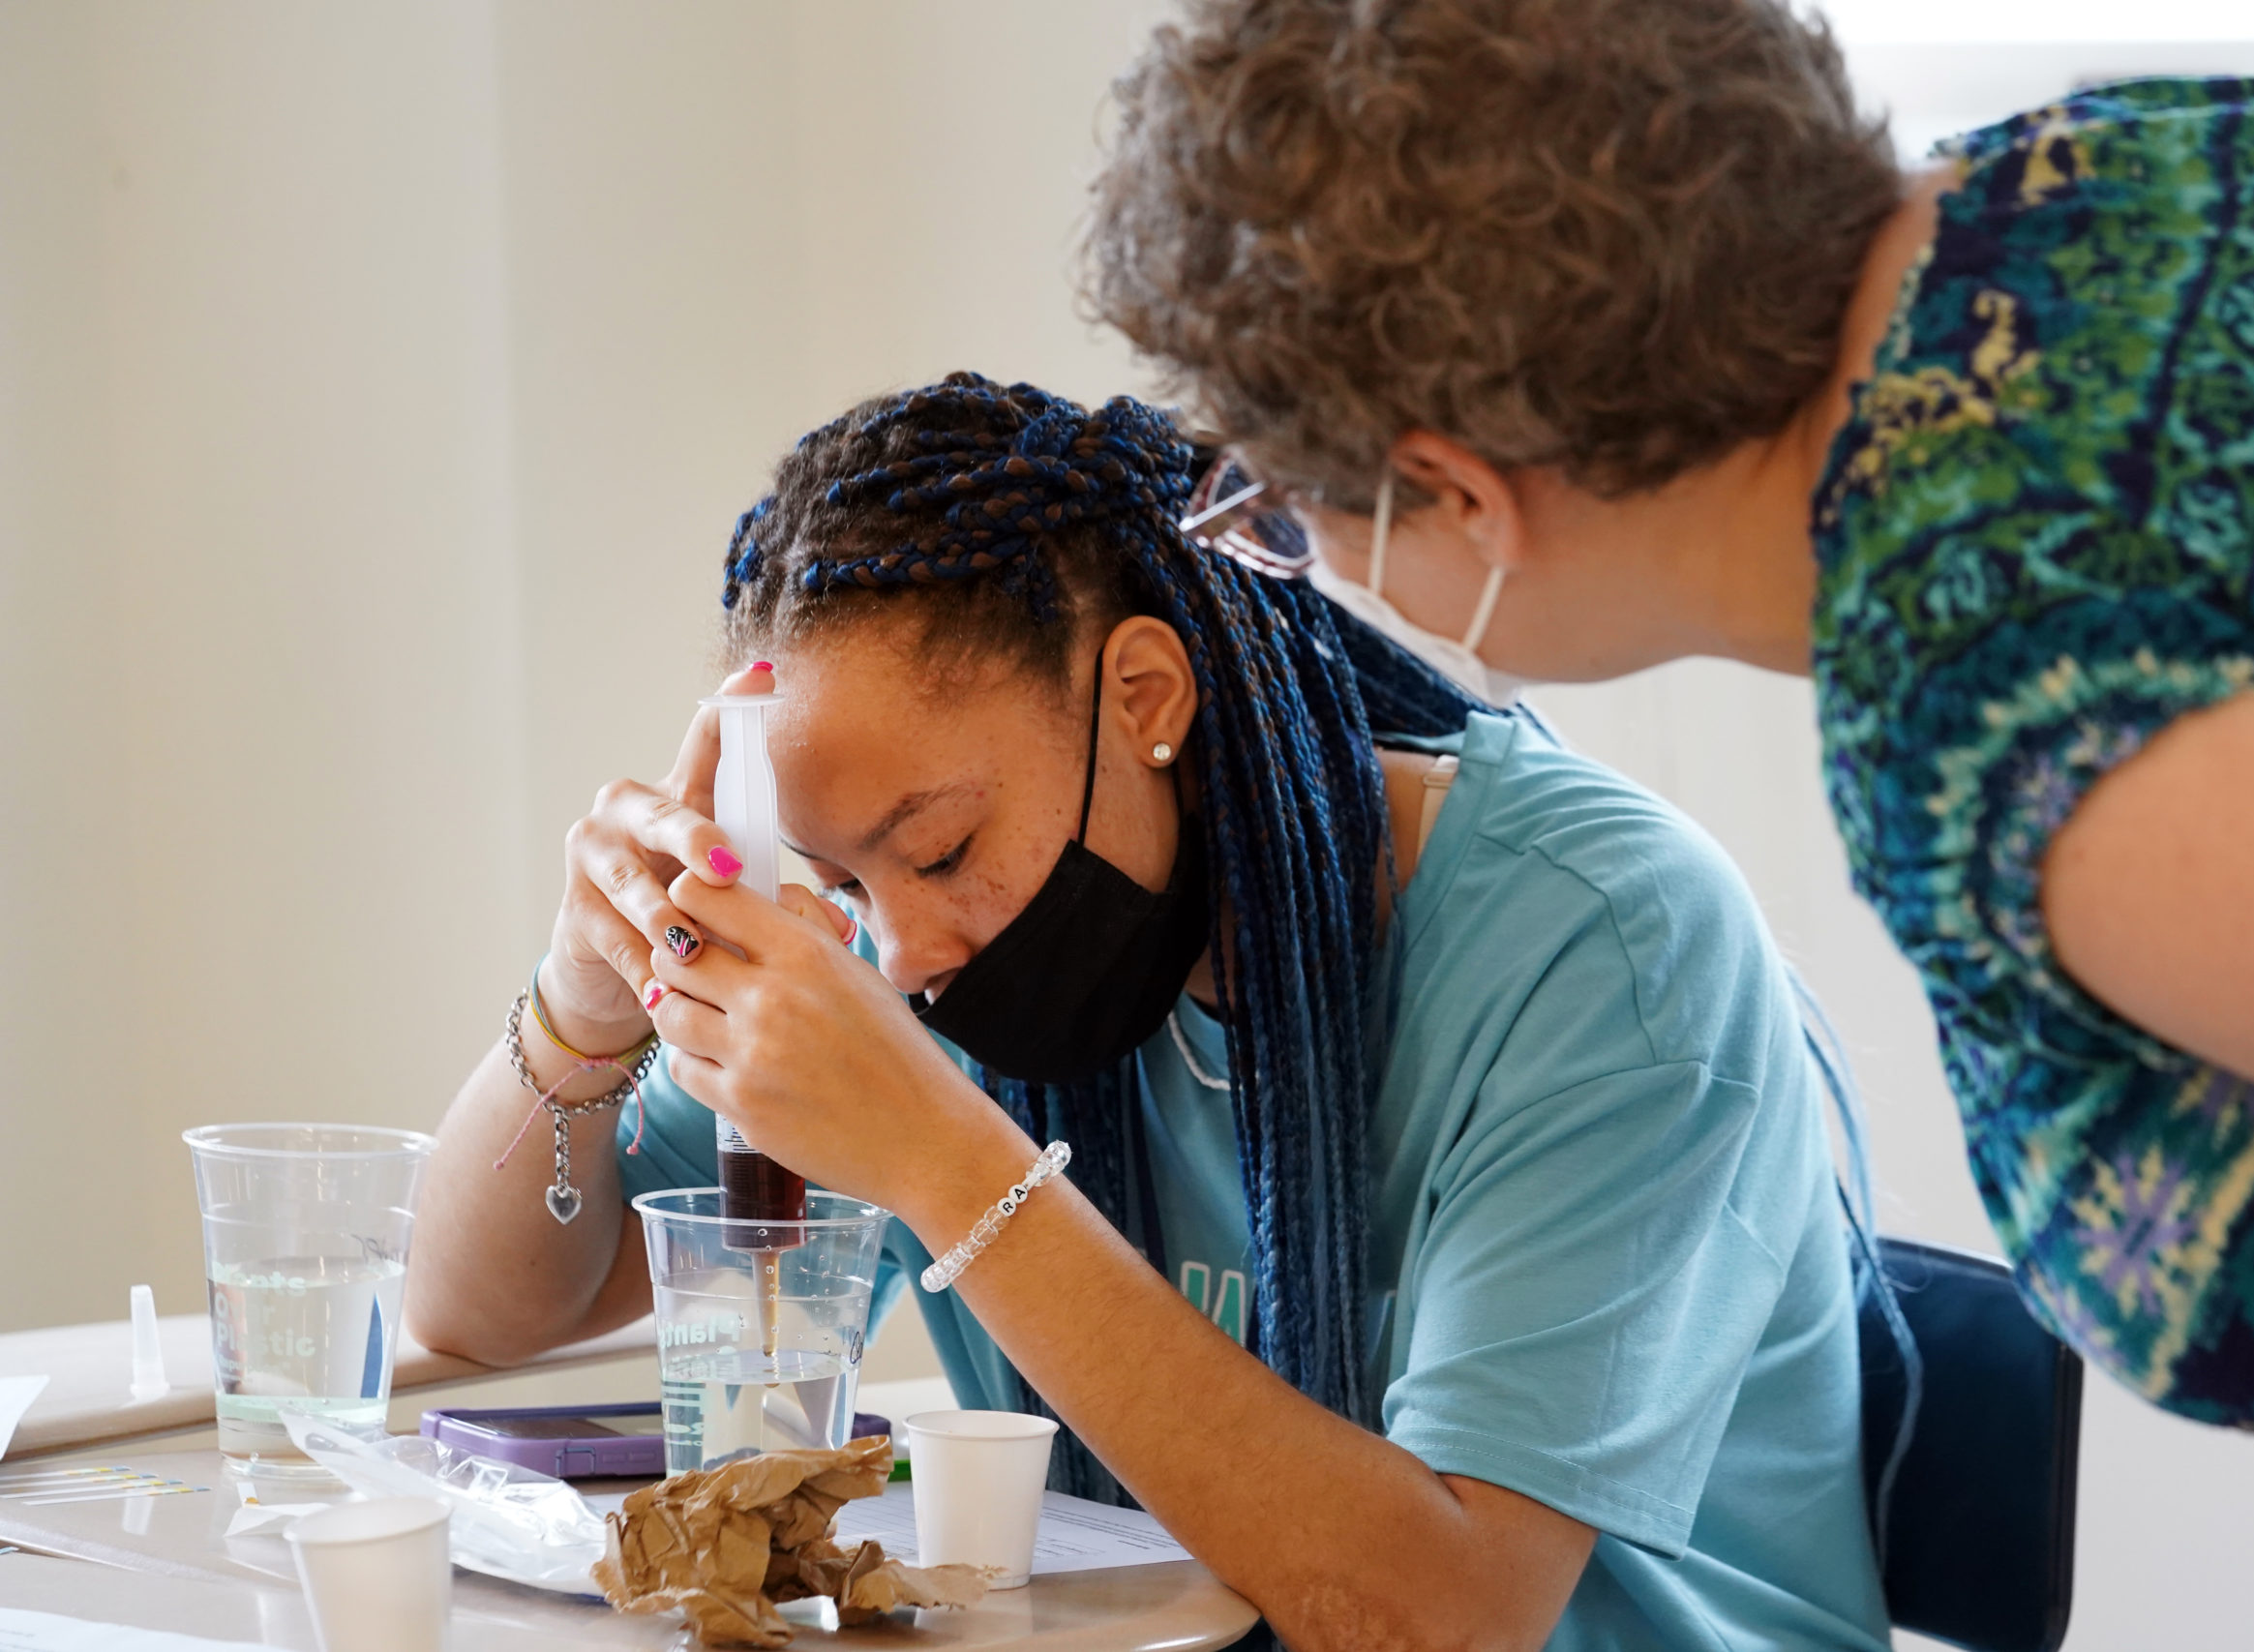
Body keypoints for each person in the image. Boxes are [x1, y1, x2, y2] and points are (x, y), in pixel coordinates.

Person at [1083, 3, 2254, 1644]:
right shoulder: (2176, 155)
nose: (1301, 567)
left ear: (1459, 494)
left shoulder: (2004, 690)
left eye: (1291, 518)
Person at [406, 375, 1892, 1652]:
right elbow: (476, 1313)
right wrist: (587, 1005)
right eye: (840, 880)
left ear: (1144, 696)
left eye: (940, 852)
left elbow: (1445, 1617)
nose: (904, 955)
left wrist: (944, 1159)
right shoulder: (900, 963)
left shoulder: (1603, 940)